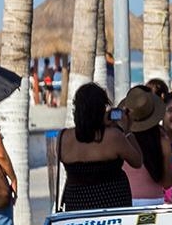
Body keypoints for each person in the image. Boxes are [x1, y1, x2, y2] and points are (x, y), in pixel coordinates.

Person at [55, 82, 144, 211]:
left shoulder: (63, 137)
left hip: (76, 205)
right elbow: (137, 161)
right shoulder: (114, 137)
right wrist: (127, 130)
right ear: (100, 109)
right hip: (112, 204)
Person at [119, 86, 172, 205]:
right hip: (153, 200)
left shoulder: (119, 137)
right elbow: (167, 182)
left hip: (125, 200)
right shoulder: (161, 139)